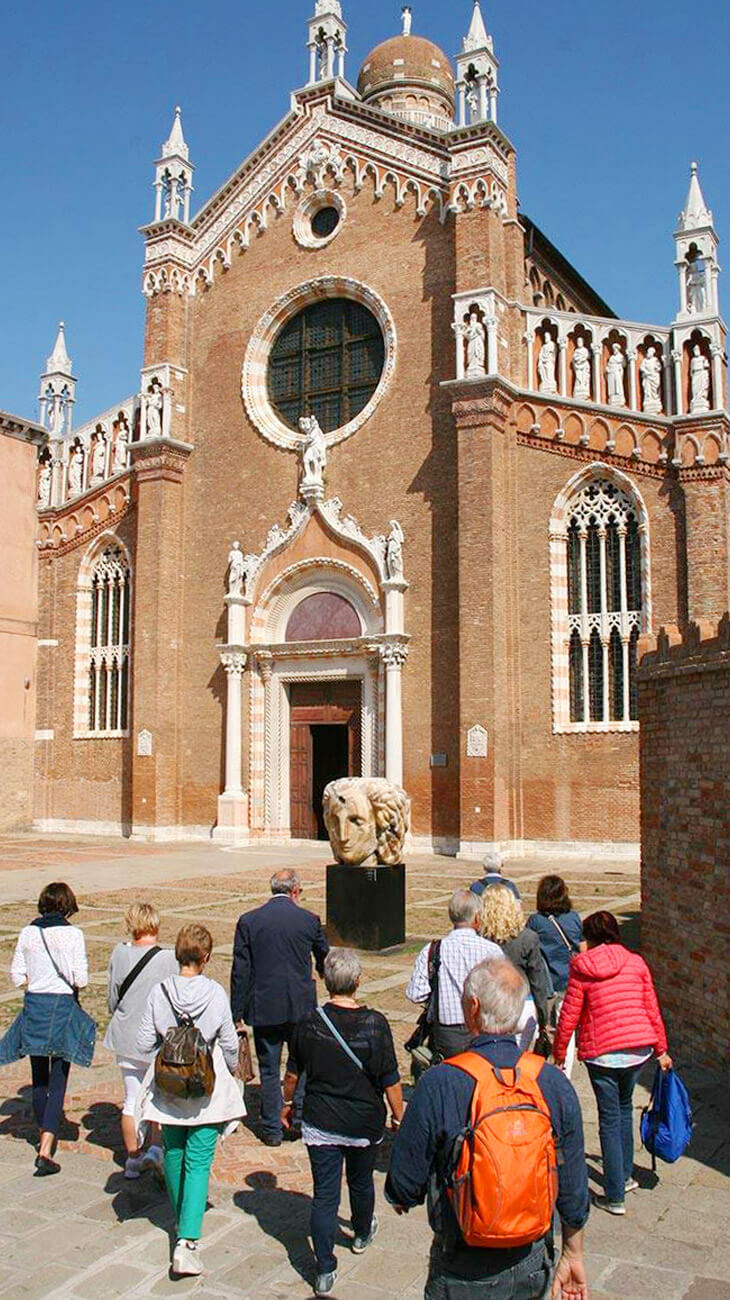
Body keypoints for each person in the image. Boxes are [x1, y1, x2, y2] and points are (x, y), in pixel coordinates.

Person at [386, 957, 590, 1300]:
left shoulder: (441, 1083)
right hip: (531, 1257)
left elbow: (405, 1184)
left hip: (462, 1260)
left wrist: (402, 1196)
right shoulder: (551, 1082)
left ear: (473, 1008)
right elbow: (572, 1186)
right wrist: (574, 1252)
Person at [283, 948, 405, 1297]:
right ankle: (362, 1231)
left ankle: (323, 1267)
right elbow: (390, 1079)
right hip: (362, 1121)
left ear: (325, 981)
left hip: (322, 1118)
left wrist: (288, 1103)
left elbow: (293, 1073)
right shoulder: (375, 1024)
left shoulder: (309, 1022)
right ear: (357, 981)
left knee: (324, 1194)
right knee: (361, 1180)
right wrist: (399, 1114)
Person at [136, 923, 244, 1277]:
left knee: (173, 1151)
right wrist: (231, 1070)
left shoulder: (159, 991)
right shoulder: (213, 993)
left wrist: (163, 1050)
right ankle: (187, 1240)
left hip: (168, 1086)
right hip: (203, 1086)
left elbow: (142, 1041)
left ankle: (184, 1217)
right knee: (198, 1159)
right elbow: (228, 1041)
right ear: (207, 957)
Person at [553, 910, 672, 1216]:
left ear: (589, 938)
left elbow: (570, 1013)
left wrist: (559, 1052)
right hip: (636, 1049)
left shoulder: (582, 967)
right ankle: (626, 1175)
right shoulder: (636, 962)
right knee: (623, 1111)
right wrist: (661, 1049)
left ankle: (615, 1194)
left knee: (609, 1117)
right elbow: (651, 1007)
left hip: (602, 1052)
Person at [0, 882, 94, 1176]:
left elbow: (16, 975)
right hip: (62, 1006)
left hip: (35, 1005)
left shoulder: (29, 932)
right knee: (59, 1078)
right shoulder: (73, 935)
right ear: (67, 905)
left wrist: (36, 980)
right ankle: (45, 1147)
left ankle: (44, 1133)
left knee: (39, 1075)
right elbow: (81, 978)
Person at [230, 869, 329, 1146]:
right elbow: (325, 958)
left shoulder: (249, 921)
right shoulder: (309, 920)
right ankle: (297, 1121)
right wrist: (323, 975)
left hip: (264, 1007)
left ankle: (272, 1129)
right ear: (295, 891)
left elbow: (241, 971)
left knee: (270, 1069)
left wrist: (235, 1013)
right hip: (300, 1006)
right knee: (303, 1064)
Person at [103, 901, 178, 1178]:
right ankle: (155, 1148)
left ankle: (132, 1158)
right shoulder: (168, 958)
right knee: (159, 1098)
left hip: (125, 1034)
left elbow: (112, 994)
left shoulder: (119, 953)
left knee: (131, 1098)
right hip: (155, 1037)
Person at [406, 889, 502, 1058]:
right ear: (477, 917)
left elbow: (415, 994)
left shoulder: (432, 950)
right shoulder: (492, 950)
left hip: (447, 1032)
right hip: (483, 1028)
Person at [480, 885, 551, 1052]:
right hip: (523, 1005)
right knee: (518, 1060)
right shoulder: (528, 938)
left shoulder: (481, 939)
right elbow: (537, 981)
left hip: (492, 1005)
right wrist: (543, 1018)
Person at [528, 877, 583, 1077]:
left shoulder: (536, 921)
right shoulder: (574, 918)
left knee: (544, 1030)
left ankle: (541, 1073)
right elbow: (582, 949)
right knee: (566, 1032)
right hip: (571, 982)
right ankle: (564, 1075)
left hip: (547, 984)